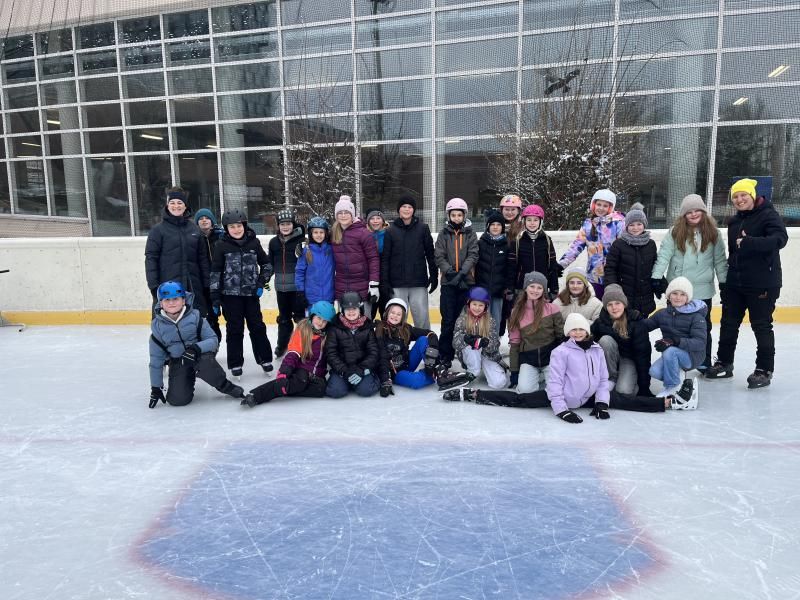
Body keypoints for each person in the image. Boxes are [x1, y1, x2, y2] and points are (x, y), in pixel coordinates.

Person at [444, 312, 697, 413]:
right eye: (573, 330)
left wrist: (601, 402)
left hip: (589, 397)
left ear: (587, 331)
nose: (577, 333)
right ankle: (472, 394)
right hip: (564, 398)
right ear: (568, 332)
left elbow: (602, 380)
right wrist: (561, 409)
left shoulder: (596, 350)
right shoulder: (561, 352)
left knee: (625, 400)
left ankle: (672, 402)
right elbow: (554, 384)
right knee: (521, 399)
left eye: (581, 329)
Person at [705, 179, 788, 388]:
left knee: (761, 326)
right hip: (736, 283)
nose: (739, 199)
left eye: (743, 195)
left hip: (762, 282)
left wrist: (751, 242)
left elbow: (780, 239)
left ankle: (764, 370)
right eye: (735, 196)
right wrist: (727, 281)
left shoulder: (768, 215)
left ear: (752, 195)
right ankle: (724, 363)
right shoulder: (734, 222)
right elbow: (734, 253)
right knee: (728, 323)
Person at [148, 281, 248, 408]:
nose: (171, 303)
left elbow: (213, 340)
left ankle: (225, 385)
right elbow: (156, 360)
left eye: (175, 299)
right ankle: (188, 378)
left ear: (183, 300)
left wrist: (195, 349)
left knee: (206, 362)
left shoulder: (196, 317)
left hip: (200, 356)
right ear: (161, 303)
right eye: (167, 300)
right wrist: (156, 387)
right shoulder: (157, 327)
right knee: (177, 401)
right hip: (179, 362)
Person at [210, 208, 273, 377]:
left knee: (257, 327)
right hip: (230, 297)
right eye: (232, 227)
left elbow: (267, 265)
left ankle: (265, 359)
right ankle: (235, 363)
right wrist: (215, 298)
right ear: (226, 229)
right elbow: (215, 273)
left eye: (239, 226)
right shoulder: (221, 246)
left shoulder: (254, 243)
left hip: (251, 296)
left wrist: (261, 283)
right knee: (234, 329)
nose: (236, 229)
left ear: (244, 225)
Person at [242, 301, 335, 407]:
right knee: (300, 381)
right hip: (301, 369)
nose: (321, 322)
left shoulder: (328, 335)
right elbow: (293, 354)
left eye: (324, 321)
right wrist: (283, 373)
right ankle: (256, 395)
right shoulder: (303, 330)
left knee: (320, 389)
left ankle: (286, 388)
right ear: (312, 315)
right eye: (319, 318)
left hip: (316, 376)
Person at [375, 297, 472, 394]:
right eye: (392, 312)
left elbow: (430, 333)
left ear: (402, 317)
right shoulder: (379, 330)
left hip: (407, 363)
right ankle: (433, 374)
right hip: (394, 372)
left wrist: (432, 349)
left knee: (423, 340)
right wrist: (385, 380)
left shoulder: (406, 329)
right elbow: (381, 357)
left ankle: (439, 371)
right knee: (416, 381)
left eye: (398, 314)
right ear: (387, 313)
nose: (395, 316)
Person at [144, 186, 210, 316]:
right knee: (167, 325)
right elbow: (151, 259)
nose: (176, 206)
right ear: (167, 205)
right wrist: (154, 287)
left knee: (194, 323)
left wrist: (207, 285)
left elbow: (203, 260)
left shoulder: (195, 230)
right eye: (172, 203)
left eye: (180, 203)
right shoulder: (158, 231)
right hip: (168, 290)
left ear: (185, 206)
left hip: (193, 288)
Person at [641, 277, 706, 400]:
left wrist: (675, 341)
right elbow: (646, 326)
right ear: (669, 295)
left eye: (682, 294)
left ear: (688, 297)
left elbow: (700, 343)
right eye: (674, 293)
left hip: (692, 356)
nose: (678, 297)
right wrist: (633, 319)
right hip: (671, 355)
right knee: (654, 371)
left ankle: (673, 387)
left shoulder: (696, 316)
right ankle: (678, 379)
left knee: (670, 350)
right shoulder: (662, 314)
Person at [380, 196, 437, 330]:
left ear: (414, 210)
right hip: (397, 284)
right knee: (397, 319)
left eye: (410, 207)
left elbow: (430, 254)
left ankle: (425, 342)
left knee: (422, 318)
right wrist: (385, 281)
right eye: (404, 206)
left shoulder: (423, 228)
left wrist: (434, 275)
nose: (407, 209)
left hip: (418, 282)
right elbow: (385, 258)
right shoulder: (390, 231)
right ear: (399, 210)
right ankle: (398, 343)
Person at [434, 197, 479, 366]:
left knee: (465, 321)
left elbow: (473, 254)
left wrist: (462, 274)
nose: (456, 218)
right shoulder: (443, 234)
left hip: (466, 282)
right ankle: (445, 355)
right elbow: (439, 255)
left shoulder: (470, 233)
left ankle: (466, 355)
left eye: (459, 215)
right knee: (448, 320)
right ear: (449, 216)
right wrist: (451, 273)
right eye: (453, 215)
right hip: (449, 283)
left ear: (464, 215)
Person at [558, 188, 625, 299]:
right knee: (595, 305)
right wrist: (561, 265)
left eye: (605, 206)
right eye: (599, 204)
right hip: (594, 276)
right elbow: (576, 246)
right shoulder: (588, 224)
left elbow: (624, 248)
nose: (601, 208)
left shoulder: (618, 223)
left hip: (613, 276)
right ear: (593, 205)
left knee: (612, 304)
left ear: (610, 207)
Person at [590, 284, 654, 396]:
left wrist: (644, 387)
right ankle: (611, 378)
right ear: (605, 307)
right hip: (609, 361)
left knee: (624, 391)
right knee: (605, 340)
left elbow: (643, 355)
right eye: (609, 304)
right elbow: (589, 345)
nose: (614, 307)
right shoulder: (600, 323)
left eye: (617, 303)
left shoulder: (635, 321)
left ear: (624, 304)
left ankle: (631, 378)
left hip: (629, 359)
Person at [507, 271, 564, 393]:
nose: (535, 290)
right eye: (532, 286)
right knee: (524, 390)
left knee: (557, 390)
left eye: (539, 287)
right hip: (529, 359)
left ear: (544, 290)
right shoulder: (516, 312)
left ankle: (543, 374)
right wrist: (514, 371)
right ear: (525, 288)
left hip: (550, 359)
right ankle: (535, 374)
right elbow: (515, 344)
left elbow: (561, 338)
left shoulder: (552, 309)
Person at [330, 195, 381, 317]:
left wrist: (374, 284)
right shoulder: (333, 233)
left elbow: (373, 259)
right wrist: (304, 247)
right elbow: (318, 241)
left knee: (365, 320)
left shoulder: (363, 233)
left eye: (346, 212)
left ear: (352, 214)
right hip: (342, 285)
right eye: (340, 213)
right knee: (344, 322)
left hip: (362, 284)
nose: (343, 215)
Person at [604, 202, 658, 316]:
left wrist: (659, 284)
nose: (635, 228)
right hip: (625, 295)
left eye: (639, 224)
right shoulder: (618, 245)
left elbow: (655, 266)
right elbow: (610, 269)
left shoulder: (651, 244)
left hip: (645, 296)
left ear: (644, 225)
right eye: (632, 225)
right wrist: (613, 288)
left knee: (643, 324)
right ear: (626, 226)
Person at [325, 291, 381, 398]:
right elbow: (331, 353)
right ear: (342, 310)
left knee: (366, 390)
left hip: (362, 368)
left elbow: (373, 352)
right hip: (342, 369)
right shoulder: (334, 327)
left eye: (354, 308)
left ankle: (372, 378)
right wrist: (344, 370)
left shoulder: (367, 327)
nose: (351, 312)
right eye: (347, 309)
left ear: (360, 309)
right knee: (335, 391)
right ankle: (346, 383)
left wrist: (361, 369)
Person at [267, 208, 306, 358]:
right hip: (281, 288)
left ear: (293, 224)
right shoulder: (274, 243)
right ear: (278, 225)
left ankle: (302, 346)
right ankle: (282, 345)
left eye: (288, 223)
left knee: (300, 319)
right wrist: (265, 277)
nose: (285, 227)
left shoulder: (301, 242)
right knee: (284, 319)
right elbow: (270, 263)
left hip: (297, 288)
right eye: (282, 224)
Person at [453, 287, 508, 389]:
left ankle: (490, 368)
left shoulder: (490, 321)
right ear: (469, 303)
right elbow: (455, 342)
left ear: (485, 306)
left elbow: (495, 344)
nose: (477, 308)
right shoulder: (462, 320)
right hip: (470, 354)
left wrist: (486, 343)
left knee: (498, 383)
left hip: (487, 355)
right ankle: (473, 371)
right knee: (473, 349)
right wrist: (465, 338)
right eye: (474, 304)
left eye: (481, 305)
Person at [506, 204, 559, 300]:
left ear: (540, 222)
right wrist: (510, 288)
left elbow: (552, 266)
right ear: (524, 221)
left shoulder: (547, 240)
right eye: (529, 220)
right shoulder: (517, 241)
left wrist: (554, 288)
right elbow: (511, 267)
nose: (532, 223)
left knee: (540, 310)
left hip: (541, 287)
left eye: (535, 220)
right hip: (521, 288)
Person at [475, 210, 509, 333]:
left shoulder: (506, 245)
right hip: (482, 290)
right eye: (492, 224)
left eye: (498, 225)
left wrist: (506, 286)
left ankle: (495, 343)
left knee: (496, 319)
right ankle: (481, 342)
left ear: (502, 227)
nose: (495, 227)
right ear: (488, 226)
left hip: (499, 291)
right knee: (482, 319)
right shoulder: (480, 243)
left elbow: (509, 268)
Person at [194, 208, 224, 340]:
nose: (204, 220)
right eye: (201, 219)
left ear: (212, 221)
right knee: (211, 317)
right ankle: (214, 343)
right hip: (205, 284)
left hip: (223, 281)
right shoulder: (194, 238)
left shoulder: (222, 236)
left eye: (207, 218)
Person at [295, 216, 335, 309]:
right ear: (310, 234)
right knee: (313, 318)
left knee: (328, 318)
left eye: (321, 232)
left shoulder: (330, 249)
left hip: (328, 296)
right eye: (315, 232)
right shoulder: (306, 250)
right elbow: (299, 272)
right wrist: (300, 291)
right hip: (311, 298)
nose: (319, 235)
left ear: (326, 233)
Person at [364, 207, 389, 320]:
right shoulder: (364, 235)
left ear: (383, 220)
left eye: (378, 218)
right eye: (372, 218)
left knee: (386, 314)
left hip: (385, 280)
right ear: (368, 221)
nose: (375, 221)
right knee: (369, 314)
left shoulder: (389, 234)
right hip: (369, 281)